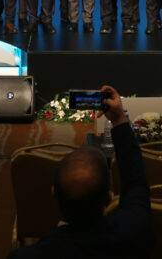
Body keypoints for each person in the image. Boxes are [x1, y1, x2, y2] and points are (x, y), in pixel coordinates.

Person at [8, 85, 151, 259]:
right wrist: (119, 119)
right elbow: (136, 185)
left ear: (54, 193)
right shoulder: (132, 237)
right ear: (109, 198)